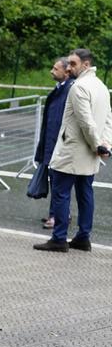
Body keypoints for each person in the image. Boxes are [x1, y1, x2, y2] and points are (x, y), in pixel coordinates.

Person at [34, 49, 112, 252]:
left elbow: (86, 122)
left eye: (73, 63)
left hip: (72, 151)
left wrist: (98, 145)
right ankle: (83, 238)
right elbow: (107, 119)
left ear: (86, 65)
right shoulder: (102, 86)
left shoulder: (78, 87)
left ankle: (59, 238)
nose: (68, 67)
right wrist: (105, 144)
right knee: (86, 194)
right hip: (90, 153)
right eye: (68, 63)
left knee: (61, 194)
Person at [34, 58, 73, 230]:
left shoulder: (69, 89)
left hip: (59, 144)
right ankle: (60, 214)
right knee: (56, 181)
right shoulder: (61, 88)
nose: (51, 71)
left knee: (58, 183)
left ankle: (56, 216)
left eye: (55, 69)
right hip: (51, 142)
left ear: (66, 72)